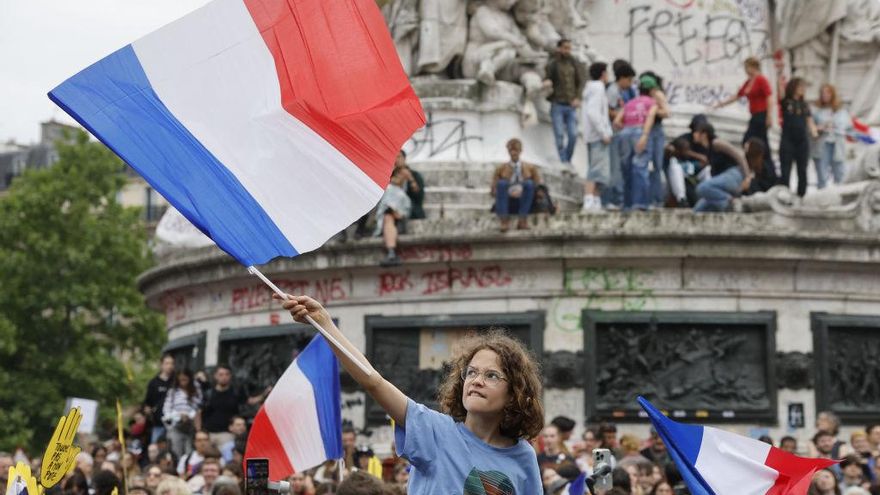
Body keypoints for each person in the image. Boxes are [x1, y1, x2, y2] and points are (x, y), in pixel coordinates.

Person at [275, 294, 544, 494]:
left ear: (514, 393)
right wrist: (325, 324)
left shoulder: (523, 456)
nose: (477, 381)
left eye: (491, 375)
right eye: (471, 372)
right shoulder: (434, 431)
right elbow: (374, 382)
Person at [714, 57, 775, 161]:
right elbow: (738, 95)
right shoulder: (749, 82)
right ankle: (764, 165)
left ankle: (765, 165)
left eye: (747, 67)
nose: (745, 70)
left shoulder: (761, 80)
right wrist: (721, 104)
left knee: (752, 141)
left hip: (762, 115)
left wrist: (769, 116)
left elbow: (769, 97)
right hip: (755, 115)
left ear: (753, 67)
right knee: (760, 142)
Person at [613, 74, 658, 211]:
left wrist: (626, 128)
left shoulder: (630, 102)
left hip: (625, 133)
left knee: (626, 169)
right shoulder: (651, 103)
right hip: (640, 131)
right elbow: (650, 117)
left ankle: (627, 204)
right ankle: (640, 204)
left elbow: (616, 122)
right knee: (640, 168)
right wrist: (644, 135)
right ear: (651, 90)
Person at [544, 38, 587, 169]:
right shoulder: (553, 63)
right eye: (565, 48)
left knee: (573, 134)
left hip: (571, 105)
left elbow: (580, 82)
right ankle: (563, 160)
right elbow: (547, 77)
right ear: (559, 48)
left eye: (569, 48)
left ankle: (567, 158)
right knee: (559, 135)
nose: (567, 51)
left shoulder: (574, 63)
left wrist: (578, 97)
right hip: (557, 103)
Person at [202, 365, 268, 449]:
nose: (224, 377)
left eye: (227, 374)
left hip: (227, 434)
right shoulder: (209, 393)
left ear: (230, 376)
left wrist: (263, 395)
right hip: (209, 433)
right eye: (221, 374)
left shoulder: (236, 392)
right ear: (215, 376)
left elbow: (249, 401)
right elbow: (200, 411)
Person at [691, 122, 751, 212]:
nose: (693, 134)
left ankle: (731, 201)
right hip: (724, 184)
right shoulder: (707, 150)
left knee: (701, 188)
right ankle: (729, 205)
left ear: (704, 134)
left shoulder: (716, 143)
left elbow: (739, 156)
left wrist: (747, 177)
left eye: (696, 132)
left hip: (733, 175)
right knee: (698, 209)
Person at [604, 60, 638, 209]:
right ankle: (614, 199)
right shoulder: (613, 91)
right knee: (615, 167)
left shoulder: (626, 91)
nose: (630, 83)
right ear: (622, 78)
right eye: (629, 80)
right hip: (615, 133)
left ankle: (621, 198)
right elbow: (607, 110)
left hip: (623, 134)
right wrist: (622, 116)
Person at [581, 61, 614, 211]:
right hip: (598, 136)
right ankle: (589, 200)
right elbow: (593, 112)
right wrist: (603, 132)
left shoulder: (592, 89)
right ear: (603, 74)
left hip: (592, 135)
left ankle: (595, 200)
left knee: (600, 171)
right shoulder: (598, 88)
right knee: (596, 170)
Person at [778, 77, 819, 197]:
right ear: (793, 87)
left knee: (802, 170)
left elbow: (809, 120)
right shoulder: (786, 102)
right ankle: (784, 194)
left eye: (803, 87)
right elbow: (780, 93)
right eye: (799, 86)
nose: (802, 89)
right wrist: (779, 80)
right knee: (785, 169)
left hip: (802, 141)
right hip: (788, 140)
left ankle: (801, 195)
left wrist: (814, 132)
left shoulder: (805, 105)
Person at [491, 138, 542, 232]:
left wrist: (522, 192)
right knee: (502, 183)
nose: (513, 153)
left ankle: (522, 220)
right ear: (508, 151)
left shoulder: (530, 168)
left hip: (524, 201)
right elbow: (493, 190)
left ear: (520, 151)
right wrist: (509, 193)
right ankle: (504, 221)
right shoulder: (501, 169)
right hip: (507, 201)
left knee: (529, 184)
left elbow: (538, 186)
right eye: (511, 150)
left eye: (516, 150)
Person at [811, 83, 852, 189]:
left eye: (827, 92)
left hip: (837, 144)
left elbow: (848, 126)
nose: (825, 95)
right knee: (822, 174)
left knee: (840, 173)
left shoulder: (841, 110)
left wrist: (837, 127)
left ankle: (840, 197)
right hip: (822, 144)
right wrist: (819, 128)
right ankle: (822, 198)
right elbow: (811, 128)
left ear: (832, 94)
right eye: (823, 93)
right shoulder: (816, 110)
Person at [641, 70, 670, 207]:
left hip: (655, 130)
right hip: (642, 130)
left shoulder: (657, 95)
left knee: (656, 166)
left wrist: (652, 111)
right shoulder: (640, 96)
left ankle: (656, 199)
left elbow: (666, 112)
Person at [374, 167, 412, 267]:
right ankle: (391, 253)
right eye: (398, 175)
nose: (399, 178)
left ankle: (391, 253)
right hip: (387, 218)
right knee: (388, 217)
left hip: (399, 220)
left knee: (389, 217)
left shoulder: (404, 194)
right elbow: (384, 206)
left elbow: (406, 210)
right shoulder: (387, 189)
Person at [163, 369, 203, 459]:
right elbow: (166, 411)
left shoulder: (196, 390)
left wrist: (190, 417)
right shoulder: (172, 392)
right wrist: (178, 415)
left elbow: (198, 407)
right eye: (181, 379)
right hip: (176, 427)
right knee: (176, 453)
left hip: (191, 427)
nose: (183, 381)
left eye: (185, 379)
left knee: (190, 453)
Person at [144, 355, 176, 445]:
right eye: (167, 363)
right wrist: (148, 411)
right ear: (161, 365)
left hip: (174, 424)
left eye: (172, 363)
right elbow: (147, 403)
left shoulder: (176, 381)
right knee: (155, 448)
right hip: (158, 424)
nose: (169, 366)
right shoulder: (154, 382)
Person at [394, 150, 425, 220]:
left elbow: (419, 196)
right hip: (392, 208)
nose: (396, 160)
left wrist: (410, 178)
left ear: (404, 158)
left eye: (399, 157)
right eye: (395, 157)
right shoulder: (390, 176)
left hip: (410, 208)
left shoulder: (414, 175)